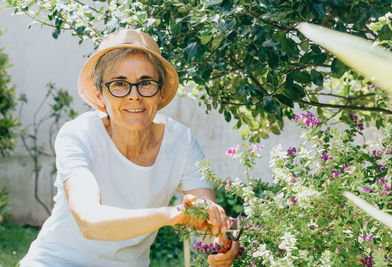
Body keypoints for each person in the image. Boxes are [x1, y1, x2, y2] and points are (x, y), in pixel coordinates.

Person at [19, 30, 239, 267]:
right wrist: (173, 214)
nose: (134, 96)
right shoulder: (79, 135)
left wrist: (223, 242)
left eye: (145, 83)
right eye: (119, 84)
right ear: (99, 93)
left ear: (161, 91)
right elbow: (89, 220)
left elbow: (207, 213)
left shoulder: (181, 142)